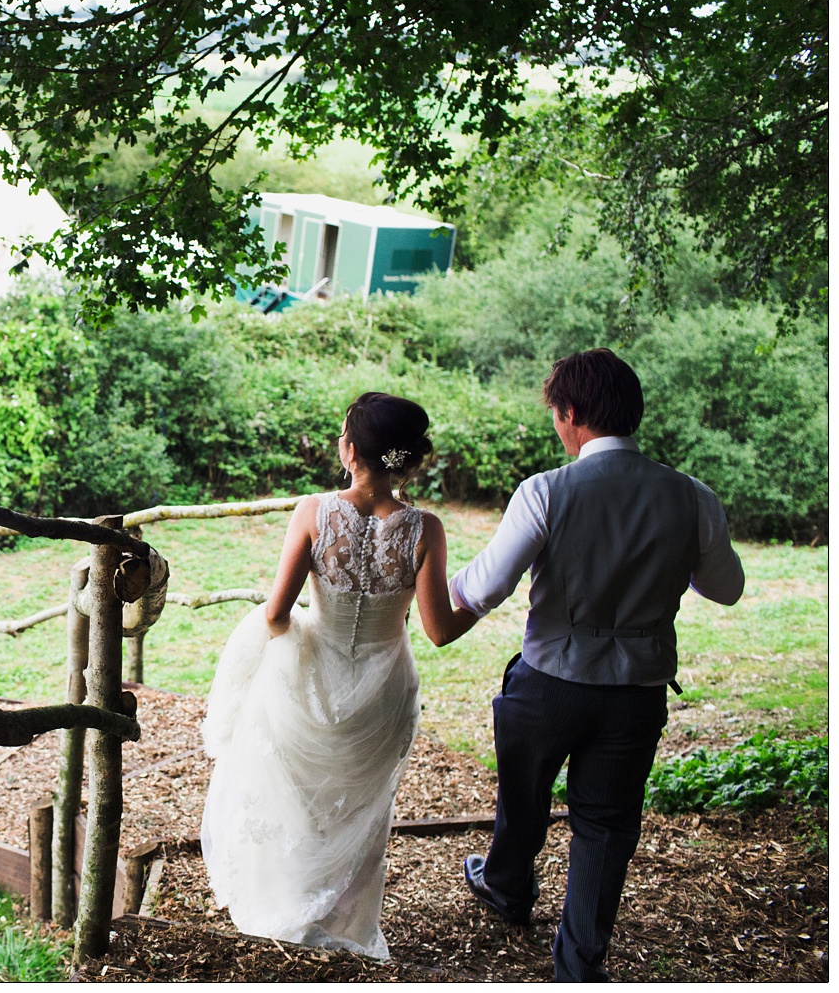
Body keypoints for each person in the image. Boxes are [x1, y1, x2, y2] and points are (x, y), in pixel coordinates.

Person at [451, 349, 744, 981]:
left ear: (573, 414)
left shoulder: (546, 491)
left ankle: (507, 886)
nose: (556, 425)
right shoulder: (693, 497)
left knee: (523, 797)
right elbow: (727, 589)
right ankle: (580, 967)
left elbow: (479, 590)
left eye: (556, 414)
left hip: (549, 682)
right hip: (635, 691)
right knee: (607, 829)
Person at [200, 393, 477, 960]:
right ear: (406, 457)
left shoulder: (313, 512)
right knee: (363, 810)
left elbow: (277, 614)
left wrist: (296, 634)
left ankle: (291, 905)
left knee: (297, 798)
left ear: (351, 451)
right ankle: (347, 927)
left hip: (313, 676)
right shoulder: (425, 529)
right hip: (383, 688)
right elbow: (440, 630)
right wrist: (485, 598)